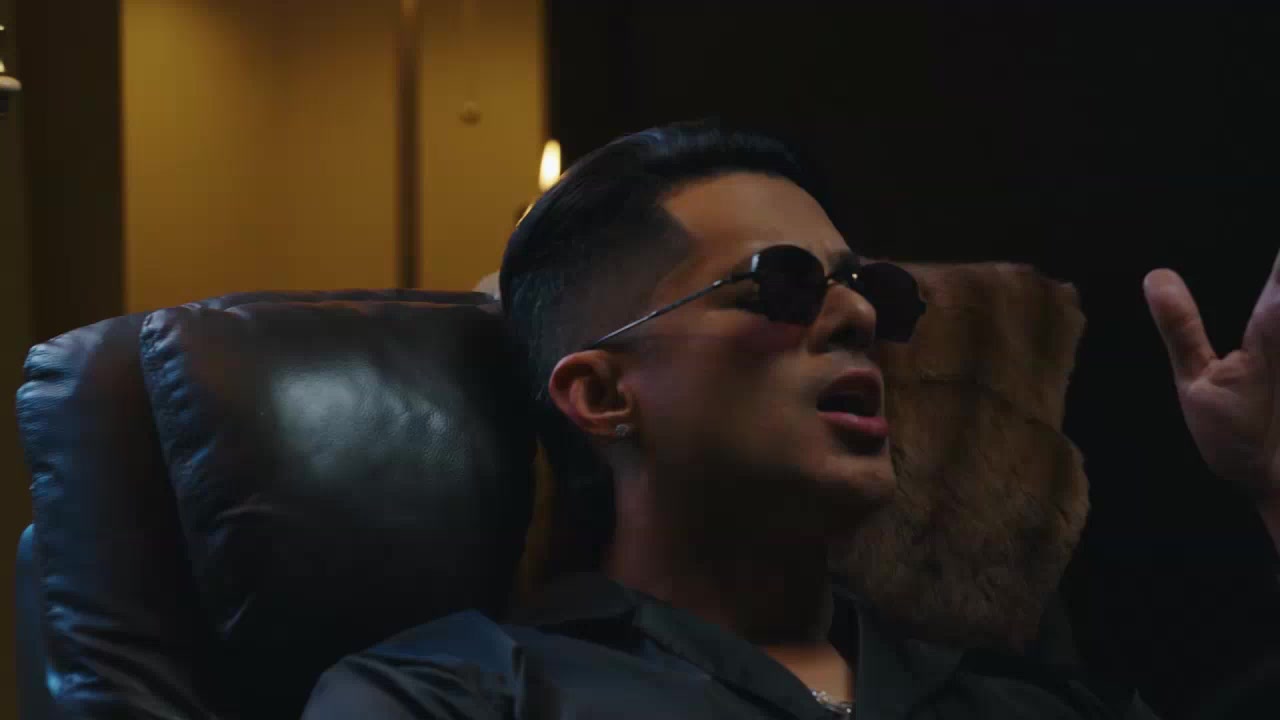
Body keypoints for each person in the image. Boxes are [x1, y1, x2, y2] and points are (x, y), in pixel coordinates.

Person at [301, 122, 1280, 719]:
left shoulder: (1027, 700)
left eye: (869, 289)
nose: (859, 318)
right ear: (601, 396)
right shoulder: (456, 694)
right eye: (780, 284)